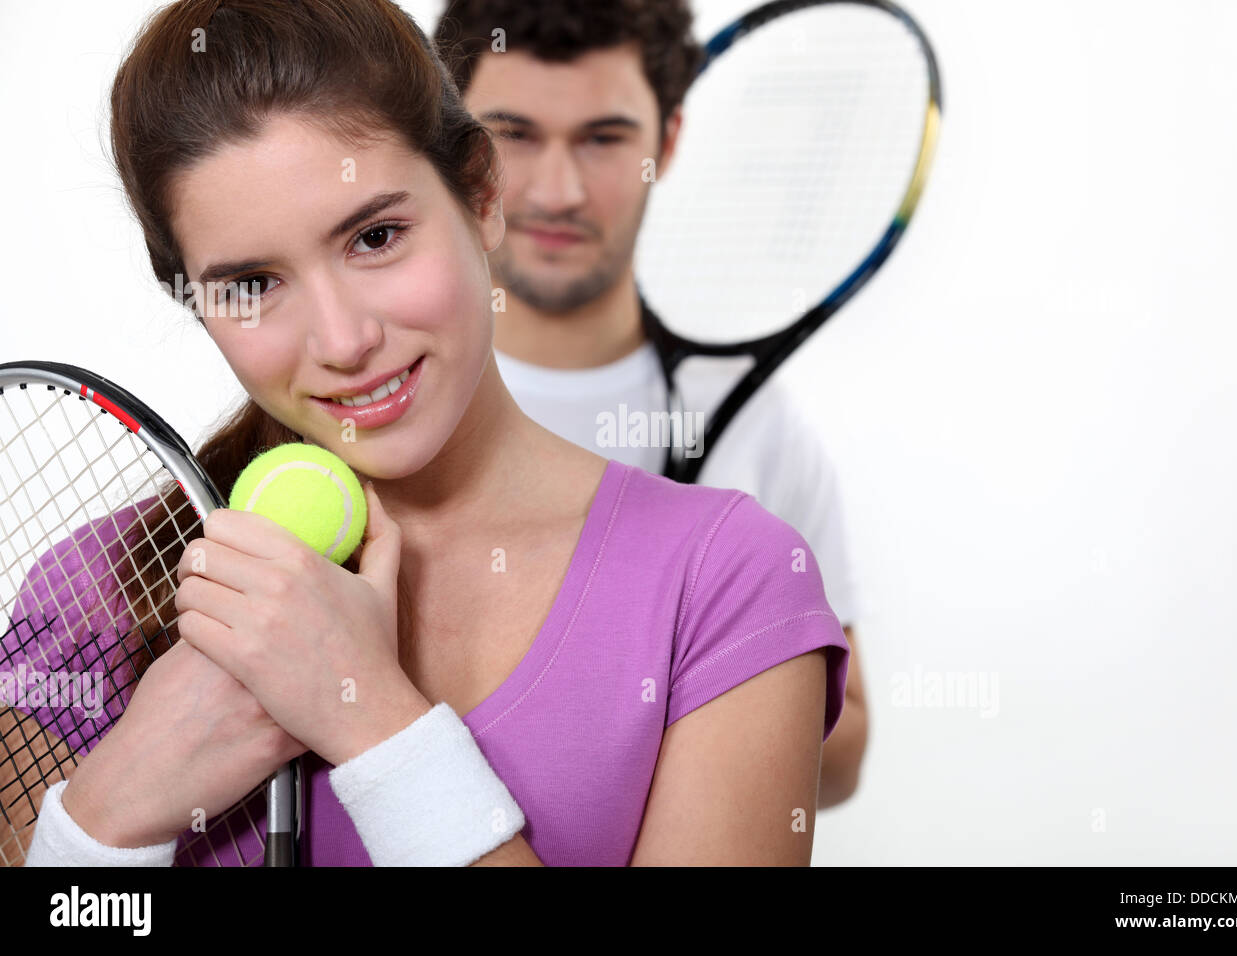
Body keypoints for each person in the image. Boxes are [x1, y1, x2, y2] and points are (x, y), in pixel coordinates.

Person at [16, 0, 848, 867]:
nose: (343, 342)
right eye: (253, 285)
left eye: (375, 237)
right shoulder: (99, 592)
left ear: (482, 196)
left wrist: (372, 723)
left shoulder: (729, 584)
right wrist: (109, 815)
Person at [433, 0, 868, 807]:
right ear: (457, 145)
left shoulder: (758, 425)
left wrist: (717, 648)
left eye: (604, 138)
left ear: (666, 142)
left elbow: (844, 761)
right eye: (515, 134)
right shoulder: (391, 401)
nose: (559, 191)